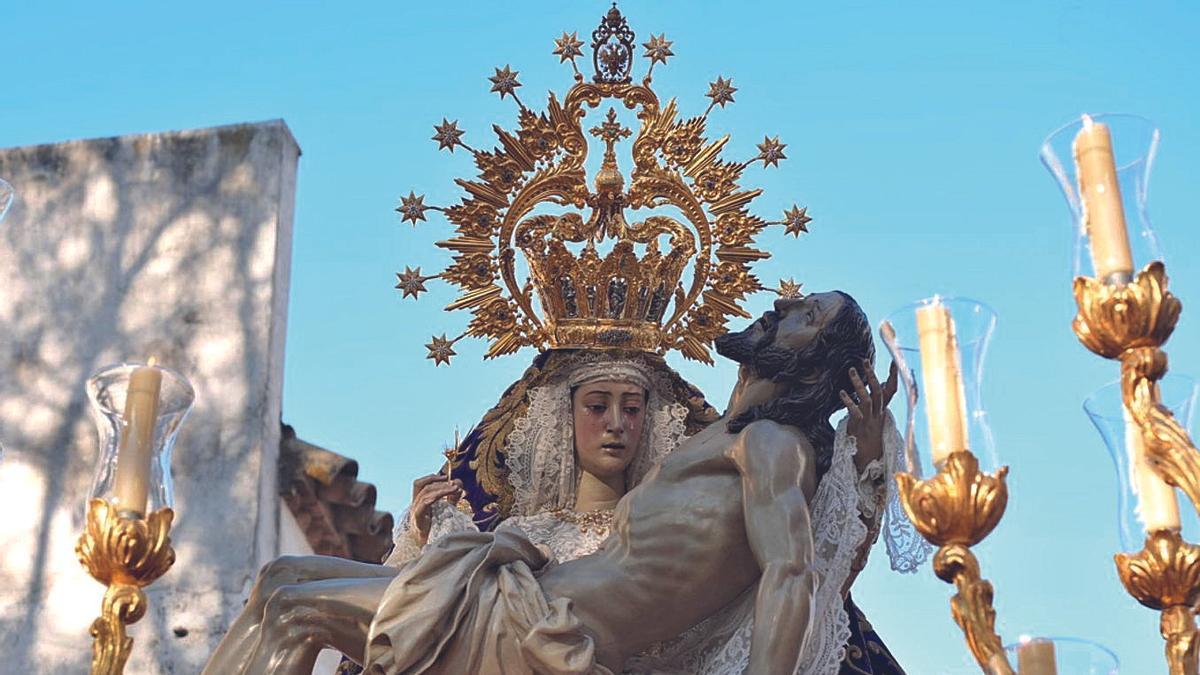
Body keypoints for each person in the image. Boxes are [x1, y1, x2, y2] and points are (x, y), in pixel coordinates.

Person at [203, 349, 717, 675]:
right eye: (598, 406)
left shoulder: (651, 529)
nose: (616, 425)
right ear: (565, 418)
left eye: (632, 408)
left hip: (544, 652)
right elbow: (418, 607)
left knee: (297, 608)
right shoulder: (523, 528)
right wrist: (423, 537)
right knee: (281, 575)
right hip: (486, 637)